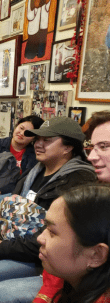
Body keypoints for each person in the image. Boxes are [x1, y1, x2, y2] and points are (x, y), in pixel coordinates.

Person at [0, 116, 97, 303]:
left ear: (68, 147)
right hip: (7, 239)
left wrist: (5, 248)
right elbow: (5, 209)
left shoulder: (78, 182)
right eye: (37, 139)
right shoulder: (34, 172)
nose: (38, 144)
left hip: (37, 256)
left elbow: (51, 237)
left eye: (47, 140)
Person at [29, 110, 110, 303]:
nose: (91, 157)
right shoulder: (94, 193)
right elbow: (64, 248)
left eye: (104, 147)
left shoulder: (81, 183)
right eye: (92, 147)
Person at [0, 115, 44, 206]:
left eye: (28, 133)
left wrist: (3, 192)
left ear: (34, 138)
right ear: (16, 126)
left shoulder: (33, 155)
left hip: (12, 194)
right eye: (21, 128)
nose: (21, 133)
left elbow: (24, 182)